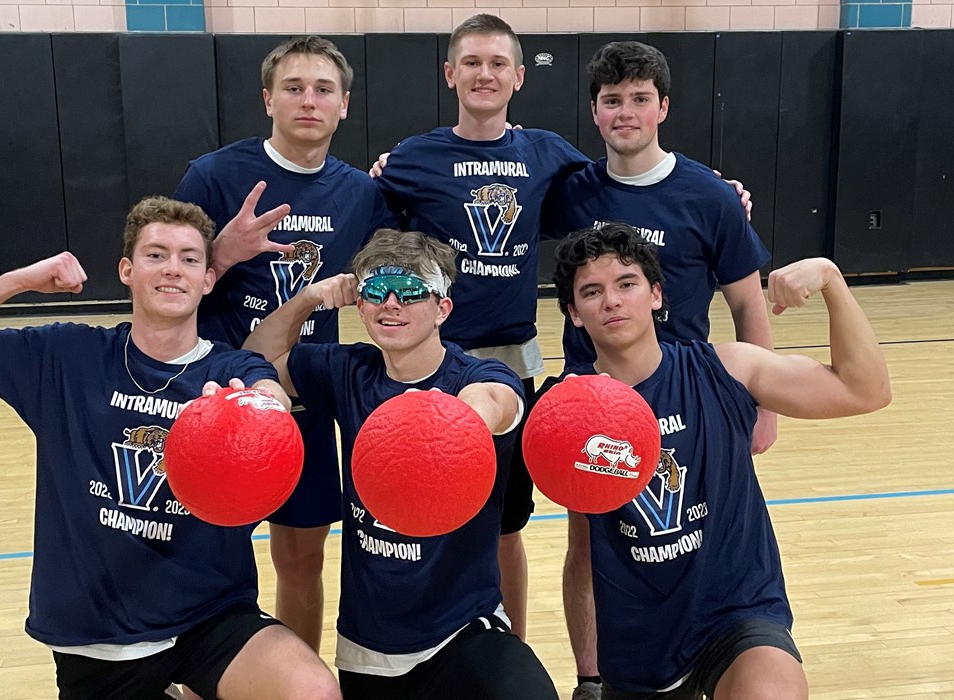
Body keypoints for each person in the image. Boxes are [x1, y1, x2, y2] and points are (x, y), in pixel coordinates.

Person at [0, 197, 340, 700]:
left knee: (313, 691)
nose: (173, 269)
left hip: (210, 613)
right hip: (99, 630)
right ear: (127, 270)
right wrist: (17, 281)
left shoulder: (229, 368)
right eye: (156, 255)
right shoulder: (67, 355)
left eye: (189, 258)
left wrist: (257, 410)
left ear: (208, 279)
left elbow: (269, 394)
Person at [551, 223, 891, 699]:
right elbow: (581, 552)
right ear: (574, 313)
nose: (611, 301)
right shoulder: (566, 411)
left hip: (736, 616)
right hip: (639, 645)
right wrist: (589, 678)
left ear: (656, 295)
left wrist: (832, 280)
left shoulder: (725, 369)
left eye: (627, 284)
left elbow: (865, 390)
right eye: (592, 292)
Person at [546, 41, 779, 700]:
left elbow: (748, 304)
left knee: (694, 532)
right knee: (590, 544)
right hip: (595, 403)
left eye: (640, 99)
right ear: (595, 111)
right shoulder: (572, 191)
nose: (626, 112)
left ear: (664, 107)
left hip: (692, 399)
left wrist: (765, 409)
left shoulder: (709, 195)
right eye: (612, 100)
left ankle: (710, 650)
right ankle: (593, 678)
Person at [242, 229, 558, 699]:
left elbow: (496, 401)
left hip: (463, 631)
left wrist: (454, 424)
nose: (391, 304)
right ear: (360, 305)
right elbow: (256, 357)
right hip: (369, 649)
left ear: (442, 309)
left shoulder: (478, 375)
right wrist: (310, 298)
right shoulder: (350, 370)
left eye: (409, 292)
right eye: (376, 292)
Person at [372, 13, 592, 640]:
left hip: (512, 368)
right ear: (450, 74)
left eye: (498, 63)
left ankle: (510, 646)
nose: (484, 74)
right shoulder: (413, 158)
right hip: (431, 366)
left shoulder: (545, 151)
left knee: (503, 527)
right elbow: (372, 221)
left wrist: (719, 189)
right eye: (471, 62)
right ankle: (422, 640)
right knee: (423, 517)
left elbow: (625, 186)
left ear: (519, 77)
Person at [174, 35, 394, 651]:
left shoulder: (362, 194)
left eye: (324, 90)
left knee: (301, 557)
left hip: (304, 395)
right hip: (217, 395)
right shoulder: (213, 175)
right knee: (206, 550)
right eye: (294, 88)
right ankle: (198, 676)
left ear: (344, 104)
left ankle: (294, 676)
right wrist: (221, 253)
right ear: (268, 99)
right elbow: (162, 281)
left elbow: (394, 272)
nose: (308, 101)